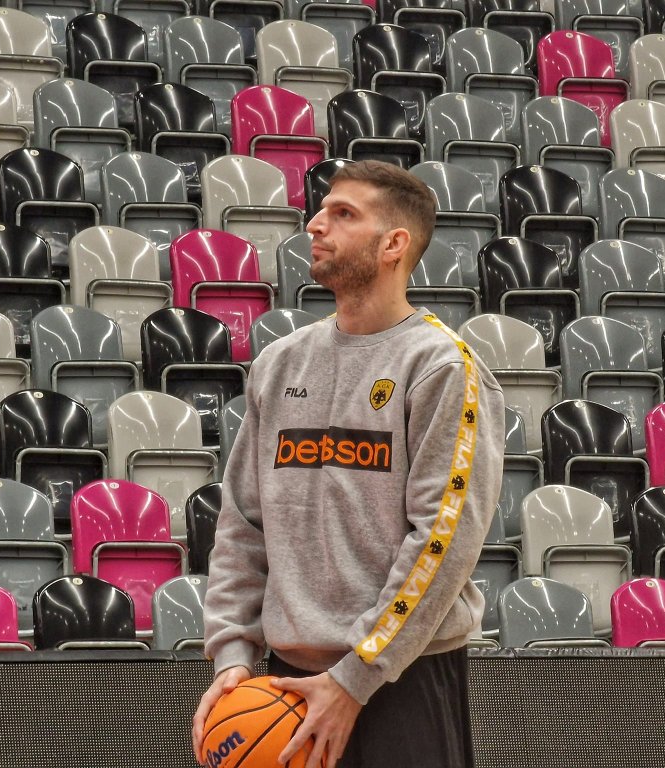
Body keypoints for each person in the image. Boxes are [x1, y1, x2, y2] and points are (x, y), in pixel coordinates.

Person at [191, 160, 505, 768]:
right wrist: (232, 657)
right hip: (282, 684)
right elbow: (243, 524)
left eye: (343, 214)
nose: (315, 224)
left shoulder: (442, 368)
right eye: (321, 210)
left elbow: (442, 541)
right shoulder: (279, 364)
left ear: (393, 244)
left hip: (400, 681)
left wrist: (355, 677)